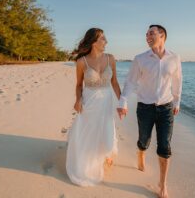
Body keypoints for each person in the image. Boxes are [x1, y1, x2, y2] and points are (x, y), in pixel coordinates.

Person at [117, 25, 182, 198]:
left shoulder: (174, 58)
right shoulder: (140, 59)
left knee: (164, 146)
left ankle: (162, 184)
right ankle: (141, 153)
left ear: (162, 36)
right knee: (144, 140)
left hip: (166, 107)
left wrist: (177, 101)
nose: (147, 36)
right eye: (146, 34)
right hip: (145, 107)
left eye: (151, 33)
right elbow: (130, 82)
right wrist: (123, 101)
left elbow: (177, 81)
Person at [66, 28, 121, 186]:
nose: (106, 41)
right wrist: (78, 99)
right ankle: (88, 162)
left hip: (106, 103)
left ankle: (104, 155)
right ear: (93, 42)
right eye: (103, 38)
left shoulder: (111, 59)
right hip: (89, 103)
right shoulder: (81, 62)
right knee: (88, 136)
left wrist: (122, 101)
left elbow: (115, 83)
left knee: (107, 134)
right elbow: (78, 85)